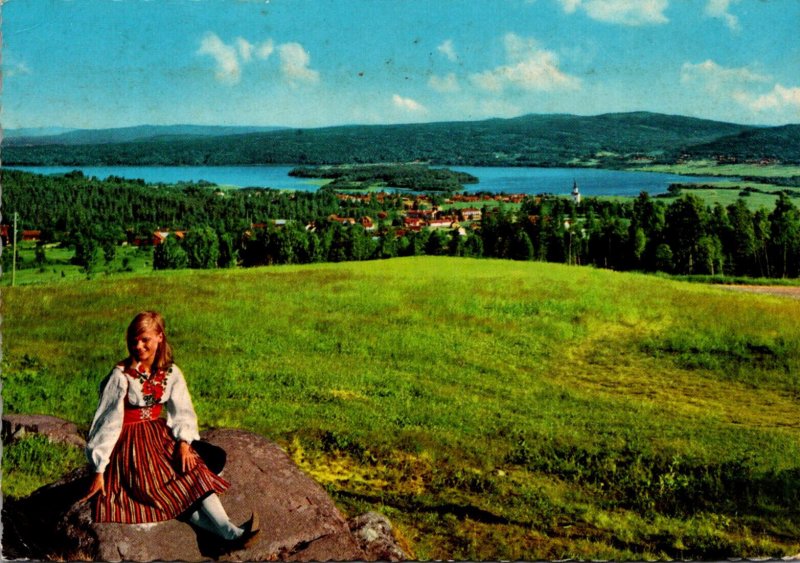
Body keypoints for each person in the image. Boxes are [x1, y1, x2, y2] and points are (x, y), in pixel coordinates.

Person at [79, 310, 259, 550]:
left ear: (160, 337)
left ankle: (227, 532)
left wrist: (184, 444)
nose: (138, 346)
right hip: (130, 442)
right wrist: (99, 470)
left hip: (158, 434)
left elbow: (182, 410)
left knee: (191, 465)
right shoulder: (120, 375)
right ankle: (228, 533)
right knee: (168, 483)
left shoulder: (171, 372)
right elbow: (107, 422)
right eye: (133, 340)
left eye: (145, 340)